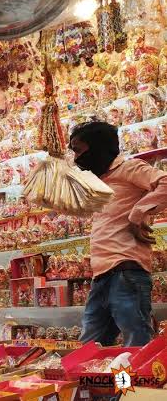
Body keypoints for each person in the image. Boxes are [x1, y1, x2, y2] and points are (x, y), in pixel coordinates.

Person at [70, 120, 167, 346]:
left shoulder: (129, 168)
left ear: (97, 146)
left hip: (126, 269)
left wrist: (138, 213)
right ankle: (97, 382)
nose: (76, 158)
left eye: (78, 149)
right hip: (101, 274)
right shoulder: (99, 181)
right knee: (91, 346)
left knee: (135, 342)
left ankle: (130, 383)